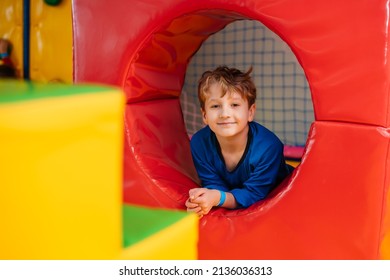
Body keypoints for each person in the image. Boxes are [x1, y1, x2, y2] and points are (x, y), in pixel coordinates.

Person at [186, 65, 294, 217]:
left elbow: (255, 194)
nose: (225, 114)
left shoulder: (268, 147)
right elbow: (213, 185)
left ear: (250, 112)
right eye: (215, 106)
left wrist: (218, 197)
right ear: (204, 116)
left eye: (234, 105)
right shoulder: (199, 143)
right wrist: (204, 199)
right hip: (236, 193)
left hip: (279, 195)